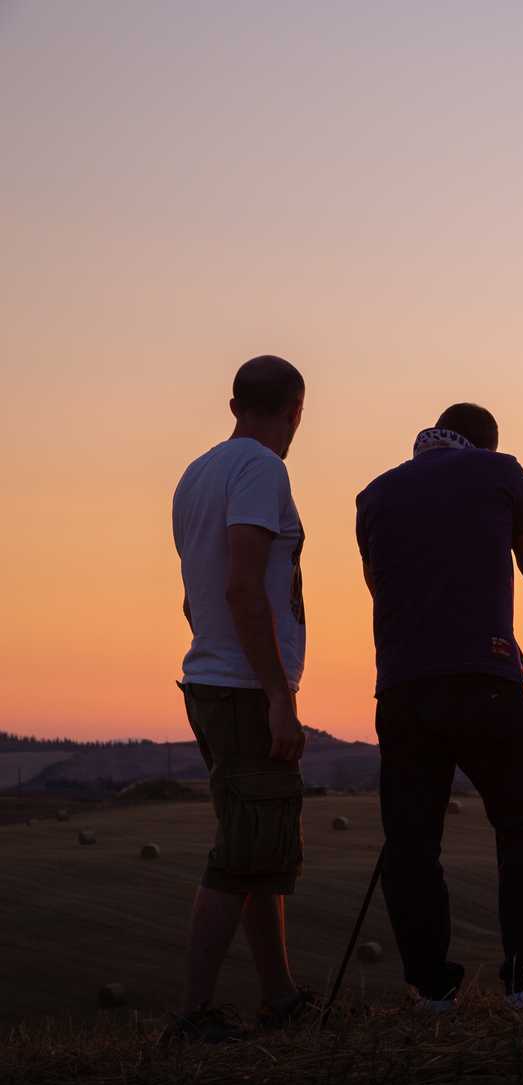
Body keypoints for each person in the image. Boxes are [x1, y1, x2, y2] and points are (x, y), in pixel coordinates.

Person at [355, 403, 523, 1009]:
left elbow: (379, 585)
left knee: (412, 842)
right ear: (488, 444)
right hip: (485, 675)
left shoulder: (374, 496)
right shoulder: (502, 472)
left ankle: (431, 989)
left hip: (402, 687)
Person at [169, 354, 315, 1041]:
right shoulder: (262, 469)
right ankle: (193, 1015)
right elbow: (240, 585)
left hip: (212, 681)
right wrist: (277, 695)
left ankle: (280, 996)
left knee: (260, 846)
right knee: (240, 853)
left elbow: (194, 594)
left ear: (233, 404)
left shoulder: (195, 475)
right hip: (243, 688)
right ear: (294, 409)